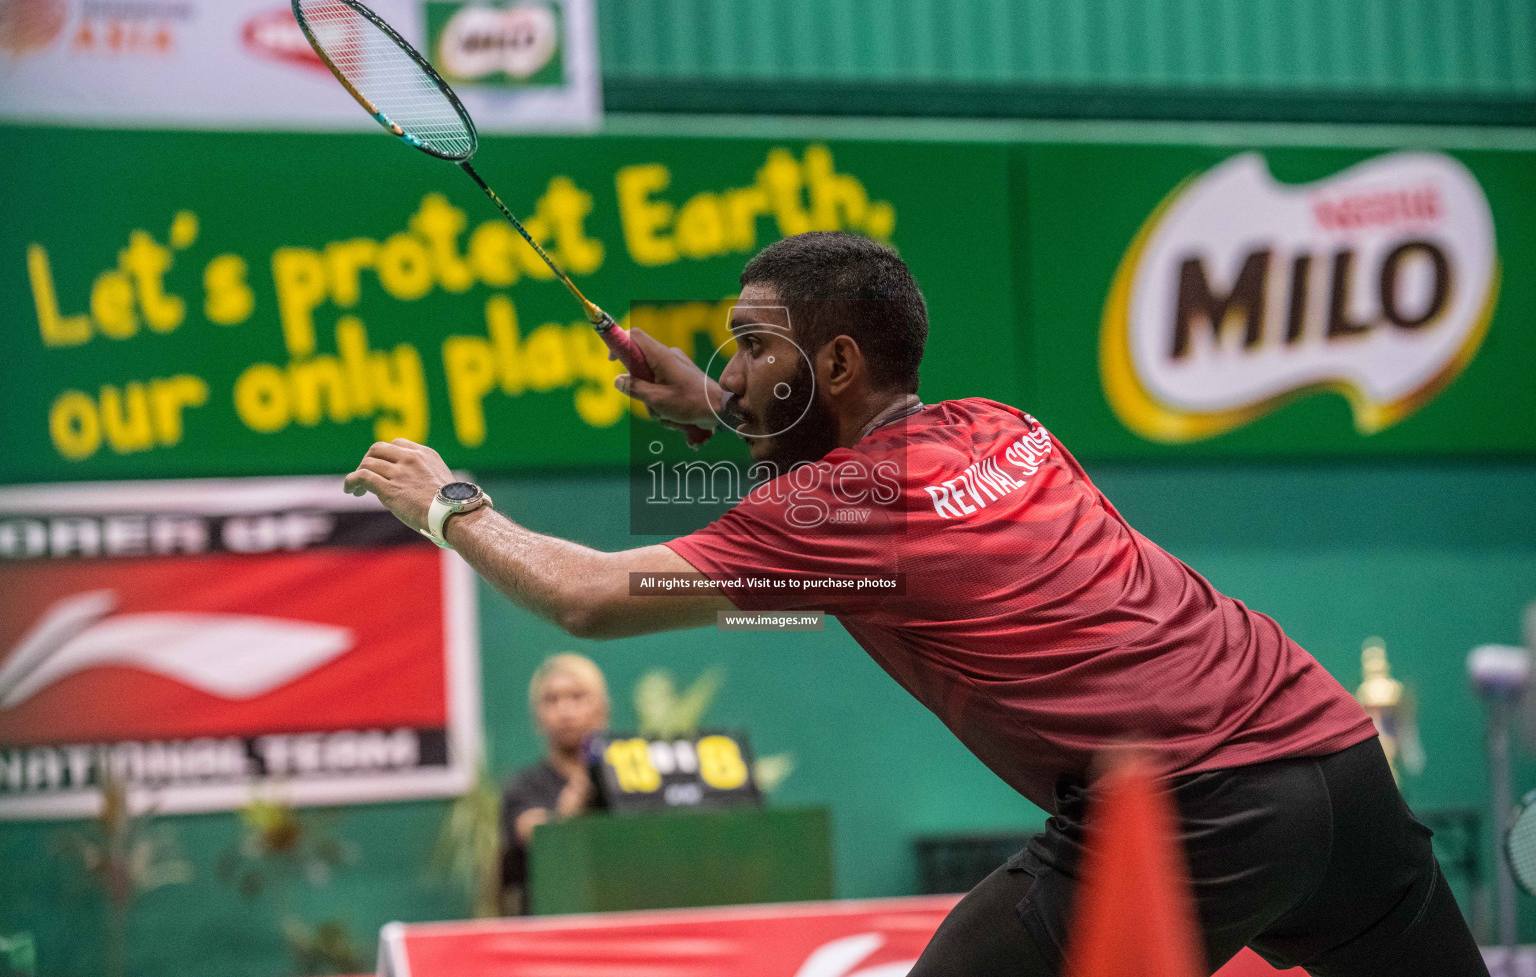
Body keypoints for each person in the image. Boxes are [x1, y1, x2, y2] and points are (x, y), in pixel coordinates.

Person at [345, 231, 1488, 976]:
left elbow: (589, 596)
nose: (730, 369)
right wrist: (708, 399)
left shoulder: (838, 511)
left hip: (1186, 804)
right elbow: (860, 483)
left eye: (749, 346)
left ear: (835, 364)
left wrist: (449, 504)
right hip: (1337, 752)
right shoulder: (1001, 424)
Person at [500, 653, 609, 915]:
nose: (565, 711)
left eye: (577, 697)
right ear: (537, 715)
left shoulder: (625, 778)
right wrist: (568, 810)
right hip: (550, 927)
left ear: (601, 708)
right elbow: (531, 831)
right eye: (552, 700)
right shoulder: (524, 786)